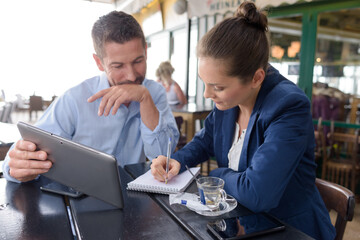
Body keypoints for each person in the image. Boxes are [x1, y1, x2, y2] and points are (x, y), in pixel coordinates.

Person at [150, 2, 335, 239]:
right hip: (239, 223)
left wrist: (216, 176)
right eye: (204, 82)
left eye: (217, 87)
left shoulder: (289, 107)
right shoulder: (228, 100)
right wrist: (176, 160)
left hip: (287, 230)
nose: (207, 94)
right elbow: (205, 140)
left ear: (257, 78)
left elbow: (258, 192)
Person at [3, 11, 179, 183]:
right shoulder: (75, 99)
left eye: (138, 61)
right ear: (99, 62)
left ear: (146, 52)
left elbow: (163, 155)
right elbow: (22, 156)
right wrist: (17, 167)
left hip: (136, 195)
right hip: (81, 195)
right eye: (118, 66)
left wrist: (145, 99)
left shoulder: (154, 92)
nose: (132, 76)